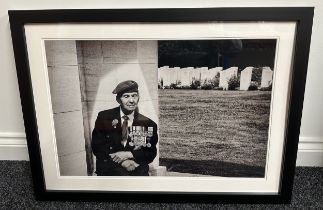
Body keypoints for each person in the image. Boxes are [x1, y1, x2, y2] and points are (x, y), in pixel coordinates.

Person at [91, 80, 158, 176]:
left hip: (137, 173)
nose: (131, 100)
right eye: (126, 96)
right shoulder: (104, 117)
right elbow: (97, 147)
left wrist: (129, 154)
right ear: (118, 99)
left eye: (134, 95)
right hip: (109, 173)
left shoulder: (148, 124)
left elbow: (151, 153)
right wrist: (122, 162)